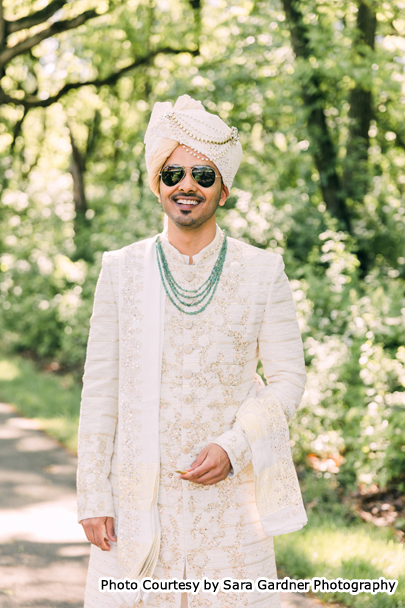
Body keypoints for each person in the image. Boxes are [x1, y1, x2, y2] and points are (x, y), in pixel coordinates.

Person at [77, 94, 307, 608]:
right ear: (157, 183)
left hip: (230, 508)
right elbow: (100, 390)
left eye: (204, 175)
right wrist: (94, 495)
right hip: (137, 502)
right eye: (173, 173)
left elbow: (289, 378)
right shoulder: (121, 270)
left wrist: (234, 446)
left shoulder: (262, 271)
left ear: (224, 190)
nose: (187, 185)